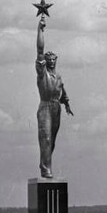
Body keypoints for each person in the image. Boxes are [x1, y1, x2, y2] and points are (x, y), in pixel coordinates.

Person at [35, 15, 73, 178]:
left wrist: (67, 104)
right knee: (47, 139)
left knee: (52, 141)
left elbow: (62, 92)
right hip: (45, 107)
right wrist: (40, 29)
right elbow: (39, 51)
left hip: (56, 107)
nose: (50, 62)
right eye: (48, 59)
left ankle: (45, 162)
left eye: (53, 60)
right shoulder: (42, 74)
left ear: (56, 61)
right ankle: (46, 168)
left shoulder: (58, 76)